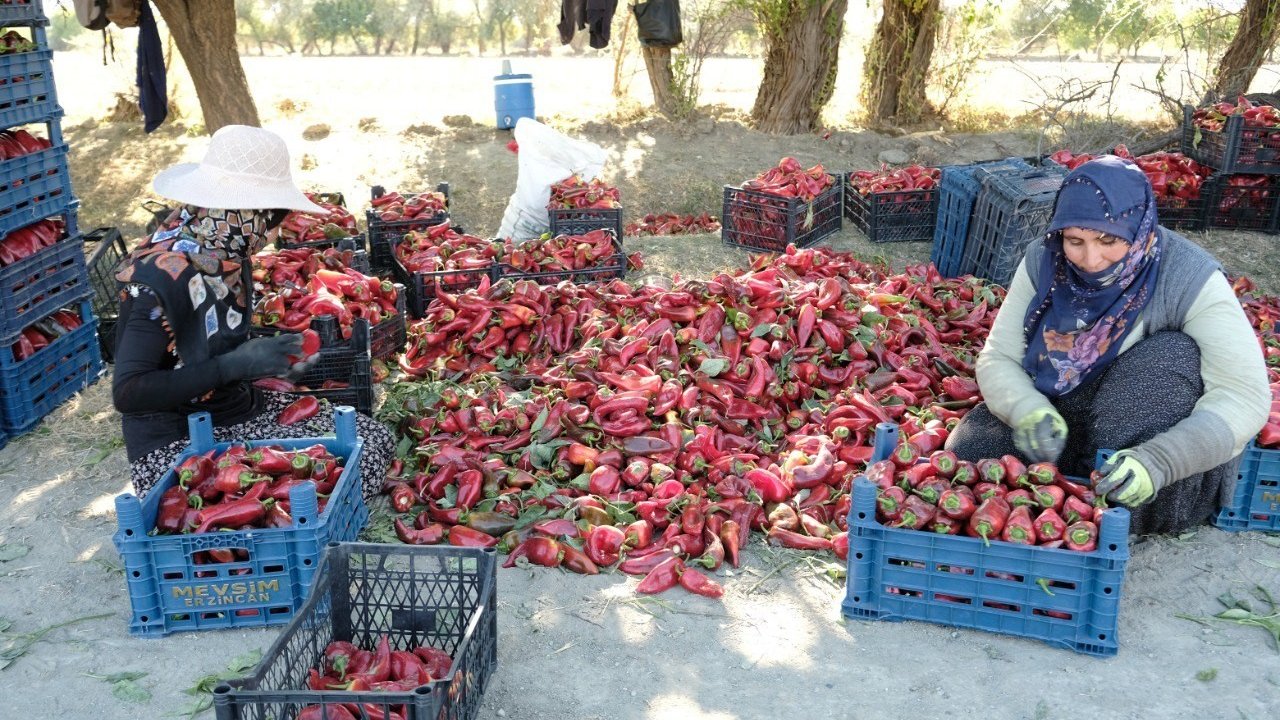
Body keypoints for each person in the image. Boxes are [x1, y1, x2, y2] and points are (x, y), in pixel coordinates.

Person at [945, 155, 1270, 535]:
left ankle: (1129, 502)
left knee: (1171, 353)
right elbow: (999, 357)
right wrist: (1026, 408)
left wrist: (1161, 461)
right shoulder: (1044, 259)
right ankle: (1074, 491)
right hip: (1070, 403)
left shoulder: (1188, 276)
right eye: (1075, 241)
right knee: (968, 455)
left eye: (1109, 240)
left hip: (1146, 421)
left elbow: (1245, 396)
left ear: (1139, 226)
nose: (1091, 259)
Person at [112, 125, 393, 501]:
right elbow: (128, 393)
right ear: (237, 212)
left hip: (235, 412)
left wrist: (270, 358)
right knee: (318, 482)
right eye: (270, 216)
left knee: (373, 440)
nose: (273, 231)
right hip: (178, 443)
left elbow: (213, 345)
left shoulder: (225, 255)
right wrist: (233, 366)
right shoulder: (159, 279)